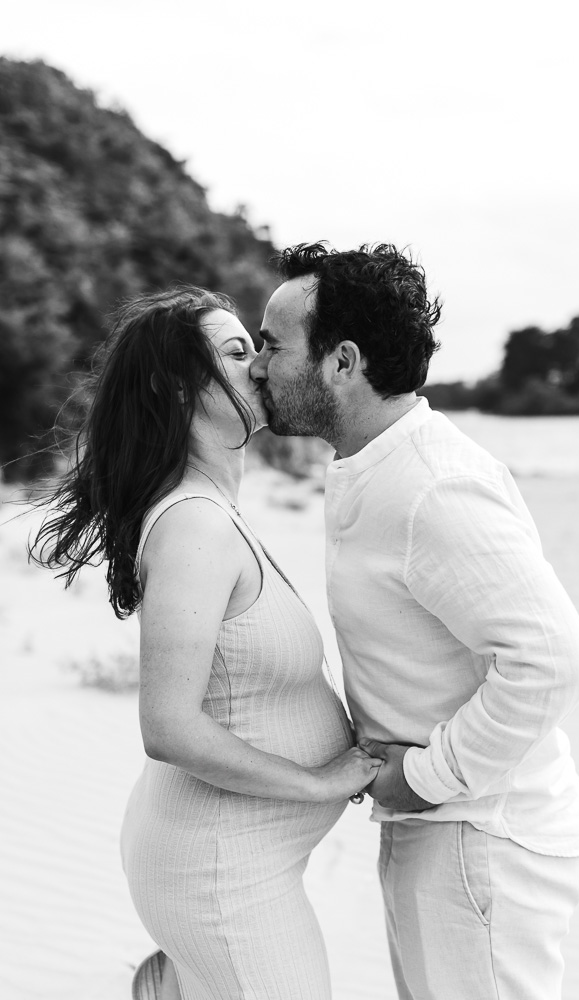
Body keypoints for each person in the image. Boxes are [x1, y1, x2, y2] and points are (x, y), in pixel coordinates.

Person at [250, 243, 579, 1000]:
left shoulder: (430, 487)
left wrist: (423, 777)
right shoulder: (374, 464)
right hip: (445, 828)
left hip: (481, 838)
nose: (256, 365)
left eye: (273, 345)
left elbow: (555, 660)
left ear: (341, 363)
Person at [30, 286, 382, 1000]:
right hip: (221, 872)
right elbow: (168, 726)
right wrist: (317, 782)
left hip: (227, 855)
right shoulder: (194, 525)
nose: (257, 366)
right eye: (234, 351)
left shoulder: (215, 509)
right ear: (177, 384)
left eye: (256, 347)